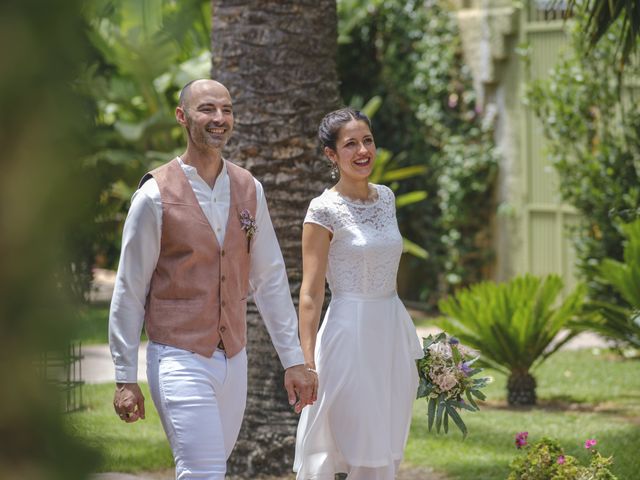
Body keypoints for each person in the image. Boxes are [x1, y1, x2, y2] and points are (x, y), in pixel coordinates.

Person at [109, 78, 317, 479]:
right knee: (203, 472)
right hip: (178, 356)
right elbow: (129, 290)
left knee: (211, 469)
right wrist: (123, 375)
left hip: (234, 360)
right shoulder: (153, 195)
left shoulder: (249, 188)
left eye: (226, 109)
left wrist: (293, 361)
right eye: (207, 109)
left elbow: (270, 280)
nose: (219, 118)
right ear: (182, 117)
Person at [293, 108, 424, 479]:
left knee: (386, 437)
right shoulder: (323, 210)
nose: (362, 150)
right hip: (349, 334)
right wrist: (306, 361)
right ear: (331, 155)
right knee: (358, 439)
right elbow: (311, 293)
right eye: (350, 144)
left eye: (367, 140)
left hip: (392, 331)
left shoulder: (386, 198)